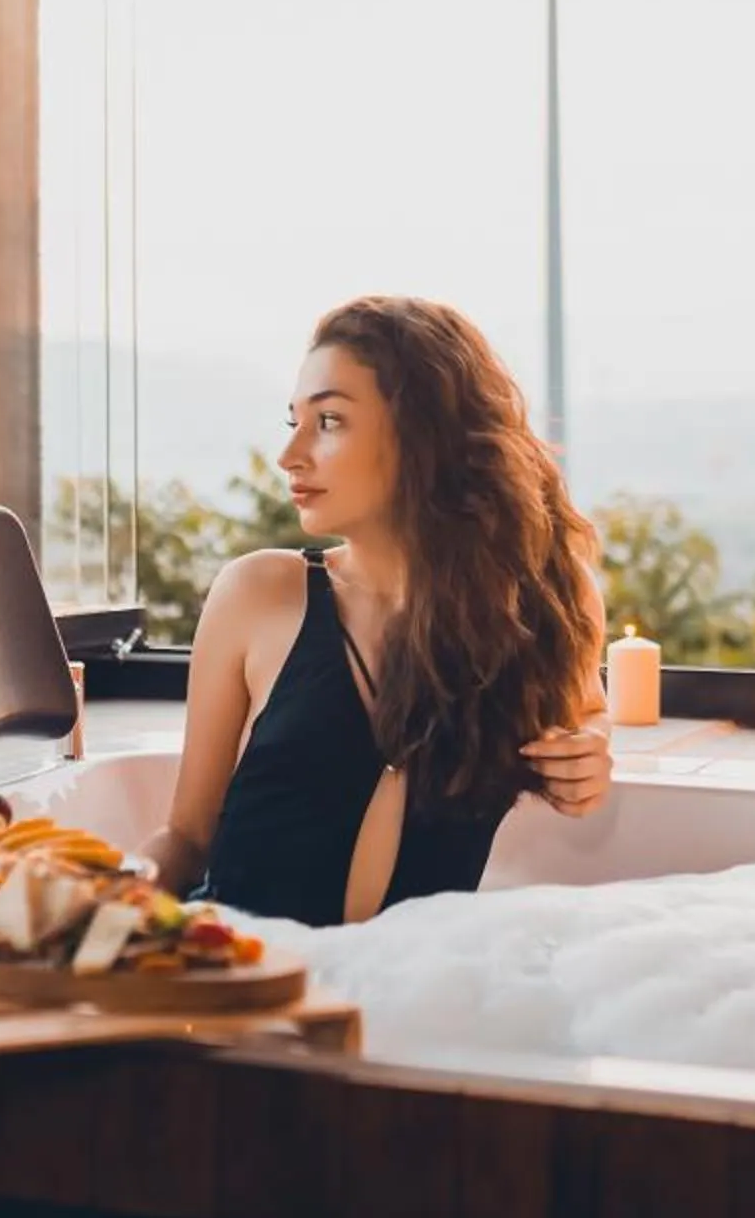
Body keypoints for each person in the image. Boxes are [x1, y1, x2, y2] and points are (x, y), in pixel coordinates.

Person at [140, 296, 614, 926]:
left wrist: (592, 756)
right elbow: (188, 838)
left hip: (414, 996)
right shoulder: (259, 595)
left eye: (330, 421)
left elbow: (587, 718)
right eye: (295, 423)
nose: (292, 456)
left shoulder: (541, 605)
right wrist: (122, 895)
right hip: (243, 986)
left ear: (422, 435)